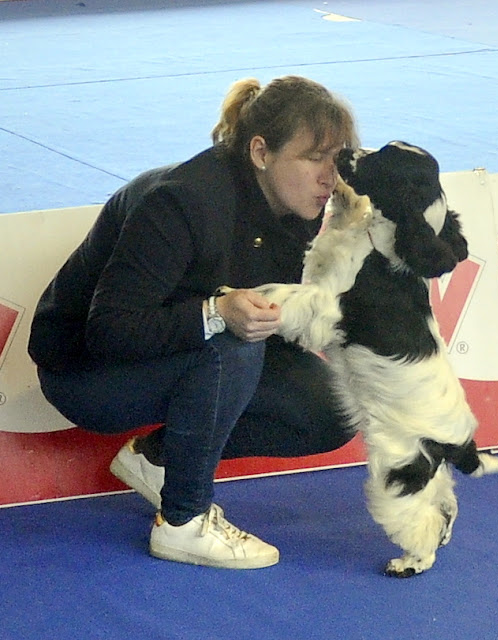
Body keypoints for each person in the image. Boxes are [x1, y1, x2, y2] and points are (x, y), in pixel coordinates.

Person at [28, 75, 359, 570]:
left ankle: (158, 460)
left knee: (334, 407)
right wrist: (214, 313)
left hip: (178, 349)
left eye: (338, 158)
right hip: (84, 372)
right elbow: (109, 332)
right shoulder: (182, 200)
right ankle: (183, 521)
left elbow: (275, 321)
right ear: (261, 152)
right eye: (315, 158)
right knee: (232, 340)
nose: (330, 177)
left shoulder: (298, 205)